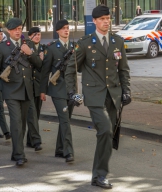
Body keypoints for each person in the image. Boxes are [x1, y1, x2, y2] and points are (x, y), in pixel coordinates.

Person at [65, 5, 131, 189]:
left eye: (108, 18)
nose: (106, 21)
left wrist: (127, 91)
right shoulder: (85, 43)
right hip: (94, 96)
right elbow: (70, 69)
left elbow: (123, 70)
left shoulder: (117, 41)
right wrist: (71, 92)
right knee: (106, 130)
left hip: (113, 95)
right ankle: (101, 176)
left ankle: (97, 175)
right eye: (102, 19)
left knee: (107, 136)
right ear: (94, 21)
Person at [0, 17, 42, 166]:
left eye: (19, 29)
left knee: (23, 122)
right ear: (9, 31)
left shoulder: (28, 44)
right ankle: (19, 154)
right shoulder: (2, 47)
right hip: (10, 89)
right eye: (15, 29)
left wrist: (30, 53)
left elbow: (39, 65)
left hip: (26, 90)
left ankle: (16, 152)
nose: (18, 31)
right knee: (16, 121)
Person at [40, 19, 75, 163]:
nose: (66, 30)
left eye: (67, 28)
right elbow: (45, 71)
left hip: (71, 90)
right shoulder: (52, 48)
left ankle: (59, 150)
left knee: (65, 120)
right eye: (63, 28)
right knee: (65, 120)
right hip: (57, 90)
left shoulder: (74, 47)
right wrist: (43, 91)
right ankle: (68, 152)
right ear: (58, 31)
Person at [26, 27, 44, 151]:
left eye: (39, 34)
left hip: (38, 86)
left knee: (36, 114)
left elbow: (44, 67)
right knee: (32, 114)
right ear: (30, 36)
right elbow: (38, 63)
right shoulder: (26, 46)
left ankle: (29, 140)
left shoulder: (44, 48)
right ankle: (37, 141)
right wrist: (39, 59)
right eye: (35, 34)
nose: (37, 36)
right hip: (28, 85)